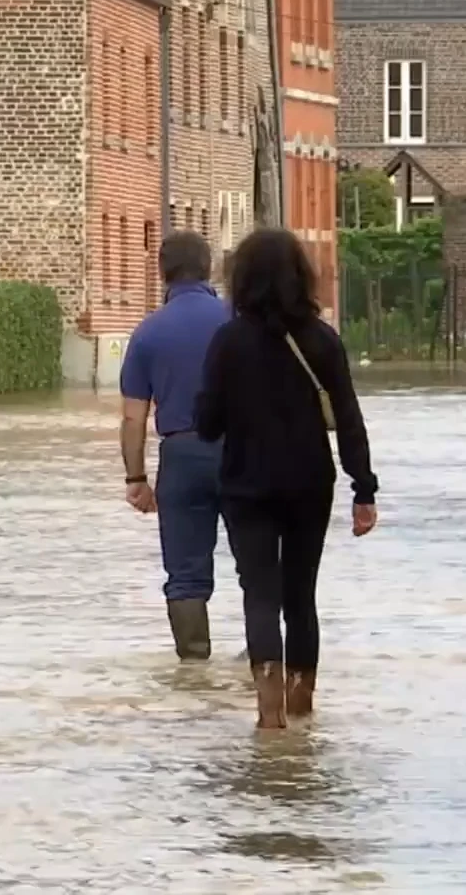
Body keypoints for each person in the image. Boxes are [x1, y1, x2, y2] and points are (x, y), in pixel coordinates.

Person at [193, 227, 379, 730]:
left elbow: (206, 424)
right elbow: (349, 418)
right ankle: (302, 706)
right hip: (309, 483)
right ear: (301, 277)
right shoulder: (323, 341)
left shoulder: (227, 342)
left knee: (260, 594)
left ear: (243, 280)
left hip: (246, 484)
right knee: (301, 595)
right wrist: (364, 488)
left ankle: (269, 714)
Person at [118, 230, 230, 661]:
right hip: (241, 452)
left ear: (162, 271)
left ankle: (194, 669)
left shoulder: (148, 333)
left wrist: (136, 478)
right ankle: (264, 662)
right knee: (257, 563)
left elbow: (133, 416)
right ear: (209, 267)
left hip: (180, 456)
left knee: (184, 574)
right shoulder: (236, 321)